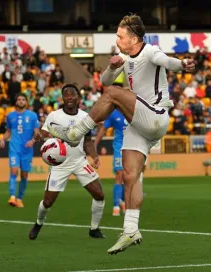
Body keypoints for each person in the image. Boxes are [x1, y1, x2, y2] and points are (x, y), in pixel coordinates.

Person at [47, 14, 195, 254]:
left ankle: (76, 133)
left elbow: (166, 61)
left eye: (120, 36)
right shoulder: (125, 59)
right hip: (139, 124)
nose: (117, 39)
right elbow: (104, 81)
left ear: (134, 38)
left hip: (155, 115)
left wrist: (182, 64)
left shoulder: (149, 51)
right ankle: (130, 230)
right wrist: (112, 66)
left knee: (114, 93)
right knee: (129, 175)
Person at [29, 84, 106, 240]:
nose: (69, 97)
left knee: (99, 195)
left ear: (78, 97)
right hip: (60, 164)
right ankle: (38, 222)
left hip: (80, 161)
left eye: (72, 94)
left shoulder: (85, 116)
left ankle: (94, 229)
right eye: (66, 95)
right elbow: (44, 132)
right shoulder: (54, 116)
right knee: (48, 202)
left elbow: (88, 141)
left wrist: (95, 156)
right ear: (62, 98)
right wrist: (38, 136)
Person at [0, 93, 39, 208]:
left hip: (27, 150)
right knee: (13, 171)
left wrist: (32, 141)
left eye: (23, 99)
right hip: (14, 148)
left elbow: (37, 133)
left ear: (26, 102)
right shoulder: (10, 116)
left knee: (24, 175)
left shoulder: (32, 116)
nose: (21, 101)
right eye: (19, 99)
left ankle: (19, 198)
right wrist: (2, 139)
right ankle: (12, 196)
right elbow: (8, 131)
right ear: (16, 102)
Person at [94, 109, 127, 216]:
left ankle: (123, 201)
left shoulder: (134, 109)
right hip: (119, 148)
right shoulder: (114, 114)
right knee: (119, 175)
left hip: (132, 148)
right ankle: (116, 206)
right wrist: (94, 145)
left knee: (128, 178)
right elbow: (103, 129)